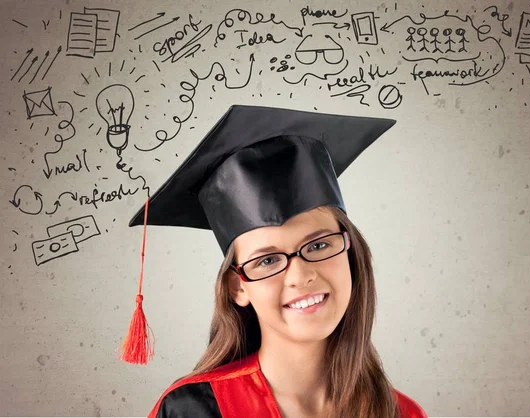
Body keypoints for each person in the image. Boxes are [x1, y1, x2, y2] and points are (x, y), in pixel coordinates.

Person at [126, 105, 428, 417]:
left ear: (350, 252)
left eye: (320, 244)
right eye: (267, 261)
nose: (300, 275)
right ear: (237, 286)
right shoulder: (192, 411)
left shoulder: (400, 412)